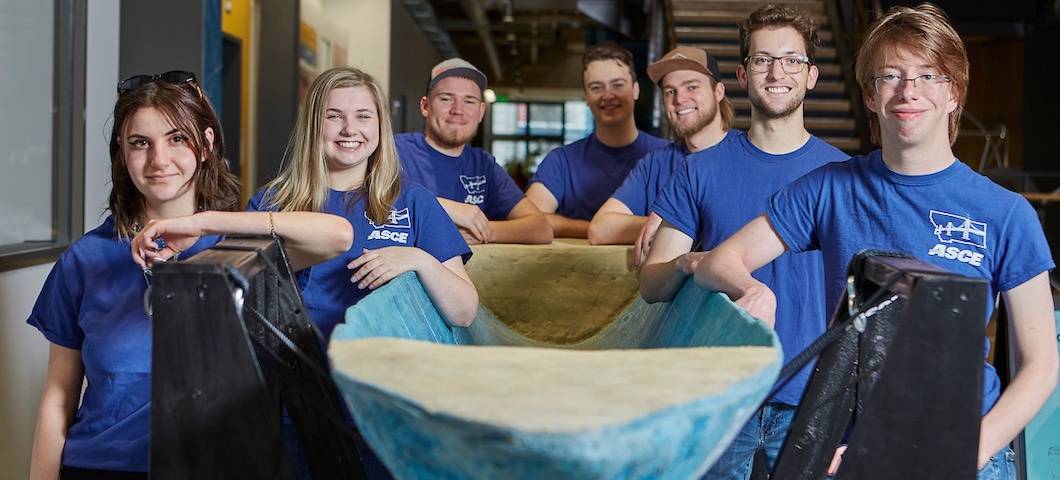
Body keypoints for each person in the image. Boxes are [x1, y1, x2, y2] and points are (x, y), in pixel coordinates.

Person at [694, 4, 1057, 479]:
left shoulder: (1007, 213)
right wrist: (749, 287)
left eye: (929, 76)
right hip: (852, 450)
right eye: (891, 75)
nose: (909, 90)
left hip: (964, 447)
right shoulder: (828, 189)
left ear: (955, 94)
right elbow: (720, 260)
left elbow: (1041, 365)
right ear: (869, 94)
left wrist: (971, 450)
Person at [27, 71, 353, 479]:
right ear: (122, 154)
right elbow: (58, 397)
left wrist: (202, 224)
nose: (158, 160)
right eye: (139, 143)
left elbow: (338, 236)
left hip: (213, 467)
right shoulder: (85, 259)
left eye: (177, 139)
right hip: (101, 466)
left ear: (206, 145)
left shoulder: (239, 247)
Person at [637, 5, 848, 478]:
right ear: (741, 73)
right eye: (762, 60)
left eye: (791, 60)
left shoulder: (843, 178)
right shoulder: (700, 169)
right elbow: (651, 284)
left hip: (811, 395)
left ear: (811, 76)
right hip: (720, 395)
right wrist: (688, 263)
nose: (777, 72)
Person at [249, 66, 478, 343]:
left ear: (380, 125)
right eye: (333, 116)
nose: (350, 129)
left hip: (380, 371)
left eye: (363, 116)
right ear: (312, 124)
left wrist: (420, 260)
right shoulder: (272, 202)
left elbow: (464, 313)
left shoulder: (414, 202)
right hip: (296, 369)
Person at [587, 45, 739, 266]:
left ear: (718, 92)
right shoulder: (656, 163)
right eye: (670, 91)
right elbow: (600, 229)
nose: (679, 99)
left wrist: (673, 224)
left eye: (692, 87)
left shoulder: (748, 153)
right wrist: (663, 224)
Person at [395, 58, 552, 245]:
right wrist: (444, 207)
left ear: (481, 112)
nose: (458, 110)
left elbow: (541, 228)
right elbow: (365, 197)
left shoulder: (484, 165)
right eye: (446, 98)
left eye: (469, 101)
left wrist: (485, 230)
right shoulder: (394, 150)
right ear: (425, 106)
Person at [526, 42, 668, 238]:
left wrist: (609, 230)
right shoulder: (562, 161)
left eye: (617, 85)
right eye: (596, 87)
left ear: (636, 90)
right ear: (586, 96)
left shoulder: (668, 157)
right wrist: (597, 229)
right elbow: (531, 220)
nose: (608, 95)